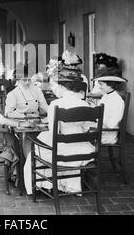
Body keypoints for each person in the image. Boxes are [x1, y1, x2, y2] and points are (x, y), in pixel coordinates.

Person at [23, 62, 95, 195]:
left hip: (62, 153)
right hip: (83, 151)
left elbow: (54, 133)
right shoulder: (87, 104)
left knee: (34, 146)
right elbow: (88, 128)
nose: (53, 89)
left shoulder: (56, 104)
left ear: (62, 86)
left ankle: (40, 184)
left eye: (55, 86)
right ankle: (67, 184)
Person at [92, 67, 127, 145]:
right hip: (101, 128)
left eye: (101, 84)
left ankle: (88, 155)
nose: (99, 87)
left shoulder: (117, 101)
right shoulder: (106, 96)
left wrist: (98, 120)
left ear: (110, 85)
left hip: (107, 134)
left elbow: (112, 124)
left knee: (79, 135)